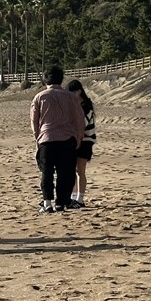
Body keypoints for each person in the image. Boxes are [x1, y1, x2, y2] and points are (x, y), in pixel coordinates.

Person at [31, 66, 84, 212]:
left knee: (46, 172)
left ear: (44, 79)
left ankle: (47, 202)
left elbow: (34, 121)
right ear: (61, 79)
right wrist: (79, 137)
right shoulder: (71, 97)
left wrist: (38, 138)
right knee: (65, 173)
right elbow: (79, 119)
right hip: (67, 139)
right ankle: (61, 202)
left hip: (46, 138)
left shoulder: (40, 97)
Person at [67, 79, 96, 208]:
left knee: (81, 170)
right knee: (71, 170)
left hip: (85, 141)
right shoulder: (74, 105)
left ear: (78, 92)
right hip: (74, 140)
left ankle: (80, 198)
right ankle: (73, 197)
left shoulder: (86, 106)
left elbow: (82, 124)